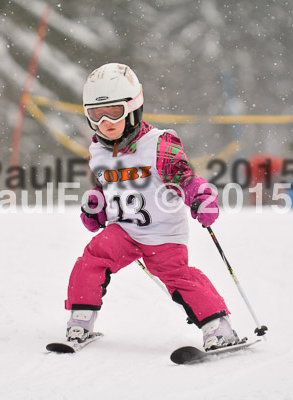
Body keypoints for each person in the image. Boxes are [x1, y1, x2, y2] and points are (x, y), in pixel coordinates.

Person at [63, 62, 240, 351]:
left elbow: (183, 176)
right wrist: (96, 207)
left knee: (178, 278)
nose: (105, 121)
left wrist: (199, 195)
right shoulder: (97, 152)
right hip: (125, 232)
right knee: (93, 257)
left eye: (114, 112)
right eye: (96, 114)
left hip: (163, 234)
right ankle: (81, 319)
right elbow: (105, 190)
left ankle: (217, 326)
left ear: (133, 108)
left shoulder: (158, 143)